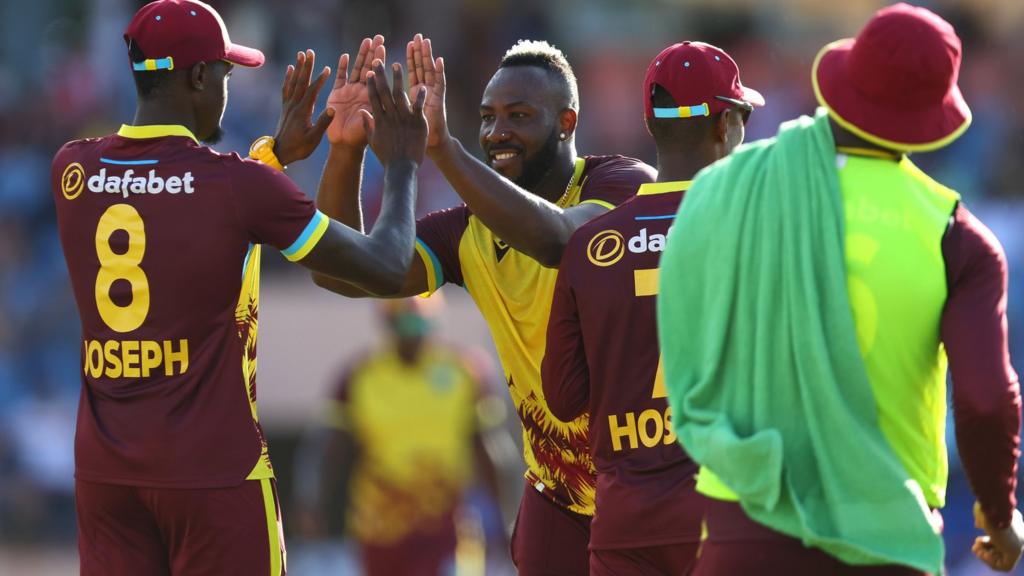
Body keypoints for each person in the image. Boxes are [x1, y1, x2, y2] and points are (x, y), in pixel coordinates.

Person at [49, 0, 428, 573]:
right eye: (225, 75)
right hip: (214, 476)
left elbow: (175, 217)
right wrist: (401, 164)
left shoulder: (72, 171)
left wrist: (273, 157)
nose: (228, 91)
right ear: (199, 77)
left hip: (108, 480)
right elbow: (385, 265)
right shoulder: (236, 186)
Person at [657, 4, 1023, 575]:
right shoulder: (955, 236)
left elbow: (681, 335)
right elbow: (983, 399)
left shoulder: (723, 190)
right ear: (933, 116)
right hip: (886, 539)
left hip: (743, 528)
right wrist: (1000, 518)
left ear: (842, 81)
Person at [313, 35, 656, 574]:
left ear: (567, 123)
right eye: (487, 116)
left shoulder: (622, 182)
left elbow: (560, 241)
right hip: (557, 494)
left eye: (519, 116)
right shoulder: (465, 232)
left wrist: (441, 148)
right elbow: (342, 272)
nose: (498, 132)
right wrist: (344, 148)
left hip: (644, 480)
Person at [541, 41, 762, 576]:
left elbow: (563, 397)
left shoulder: (591, 245)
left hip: (626, 527)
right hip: (732, 518)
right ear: (724, 123)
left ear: (651, 123)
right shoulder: (760, 229)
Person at [305, 297, 512, 576]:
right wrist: (313, 502)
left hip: (447, 524)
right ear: (388, 324)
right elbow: (331, 448)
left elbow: (487, 446)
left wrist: (507, 515)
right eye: (405, 324)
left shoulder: (464, 371)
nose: (414, 335)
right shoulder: (359, 376)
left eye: (420, 324)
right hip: (380, 526)